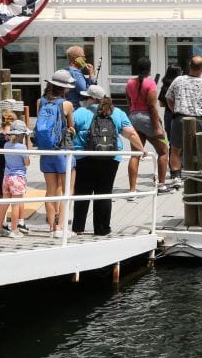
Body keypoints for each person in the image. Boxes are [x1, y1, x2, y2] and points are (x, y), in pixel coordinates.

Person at [71, 84, 142, 236]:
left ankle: (78, 228)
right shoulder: (117, 113)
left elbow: (69, 131)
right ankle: (102, 229)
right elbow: (131, 134)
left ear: (92, 99)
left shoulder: (80, 112)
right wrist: (142, 150)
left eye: (86, 97)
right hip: (111, 158)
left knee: (82, 192)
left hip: (84, 156)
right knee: (104, 192)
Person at [36, 69, 75, 238]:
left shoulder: (40, 102)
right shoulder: (66, 105)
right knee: (68, 190)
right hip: (63, 152)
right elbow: (71, 127)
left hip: (46, 152)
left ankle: (52, 227)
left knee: (50, 191)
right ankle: (62, 227)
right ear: (64, 88)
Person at [164, 55, 202, 181]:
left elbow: (168, 98)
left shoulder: (178, 80)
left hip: (180, 118)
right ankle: (198, 174)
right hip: (199, 119)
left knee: (176, 149)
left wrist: (174, 109)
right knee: (200, 149)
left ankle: (176, 175)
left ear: (189, 66)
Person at [125, 57, 169, 194]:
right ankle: (161, 185)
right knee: (163, 150)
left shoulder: (129, 83)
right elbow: (152, 106)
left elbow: (129, 102)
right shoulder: (150, 84)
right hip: (148, 119)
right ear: (149, 69)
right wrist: (157, 126)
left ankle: (132, 190)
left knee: (135, 154)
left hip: (133, 118)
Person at [0, 119, 31, 236]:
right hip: (18, 177)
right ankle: (14, 230)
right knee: (15, 204)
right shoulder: (22, 147)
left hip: (6, 177)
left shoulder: (6, 145)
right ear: (22, 135)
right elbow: (27, 163)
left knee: (4, 203)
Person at [158, 64, 182, 147]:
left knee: (170, 140)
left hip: (168, 114)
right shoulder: (180, 86)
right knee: (180, 139)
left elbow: (161, 104)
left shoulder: (165, 86)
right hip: (180, 114)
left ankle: (170, 157)